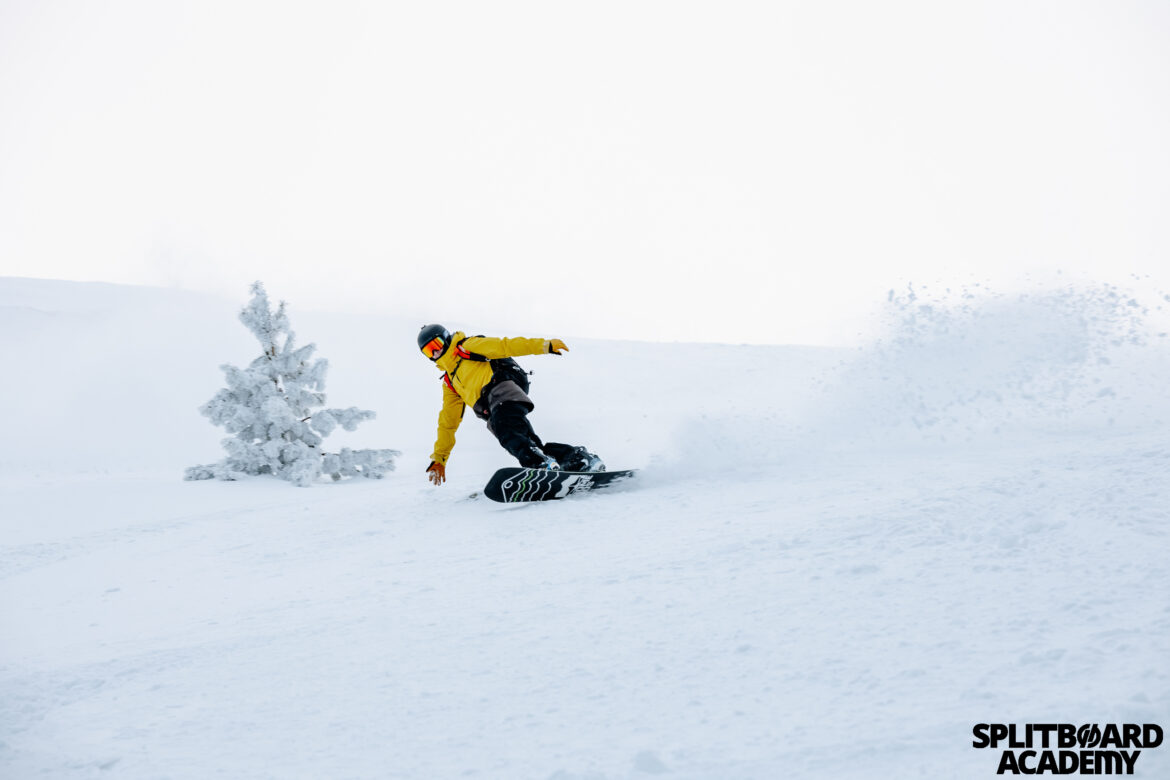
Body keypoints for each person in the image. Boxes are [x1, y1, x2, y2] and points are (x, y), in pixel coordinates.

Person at [417, 324, 604, 486]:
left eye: (436, 345)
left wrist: (545, 345)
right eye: (428, 351)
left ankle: (540, 467)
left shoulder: (467, 346)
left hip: (502, 391)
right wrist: (440, 458)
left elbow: (505, 346)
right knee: (527, 443)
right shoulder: (450, 382)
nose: (435, 353)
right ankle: (578, 460)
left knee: (509, 433)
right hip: (493, 410)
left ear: (446, 338)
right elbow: (448, 422)